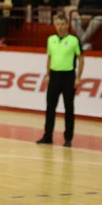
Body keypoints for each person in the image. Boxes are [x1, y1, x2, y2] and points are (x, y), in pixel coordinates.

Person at [36, 14, 84, 148]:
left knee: (69, 108)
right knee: (50, 107)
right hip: (54, 76)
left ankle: (68, 138)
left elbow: (81, 59)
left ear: (67, 25)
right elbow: (49, 57)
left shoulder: (74, 40)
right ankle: (47, 136)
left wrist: (78, 77)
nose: (60, 27)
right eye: (58, 24)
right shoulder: (51, 39)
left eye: (63, 24)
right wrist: (47, 74)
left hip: (68, 76)